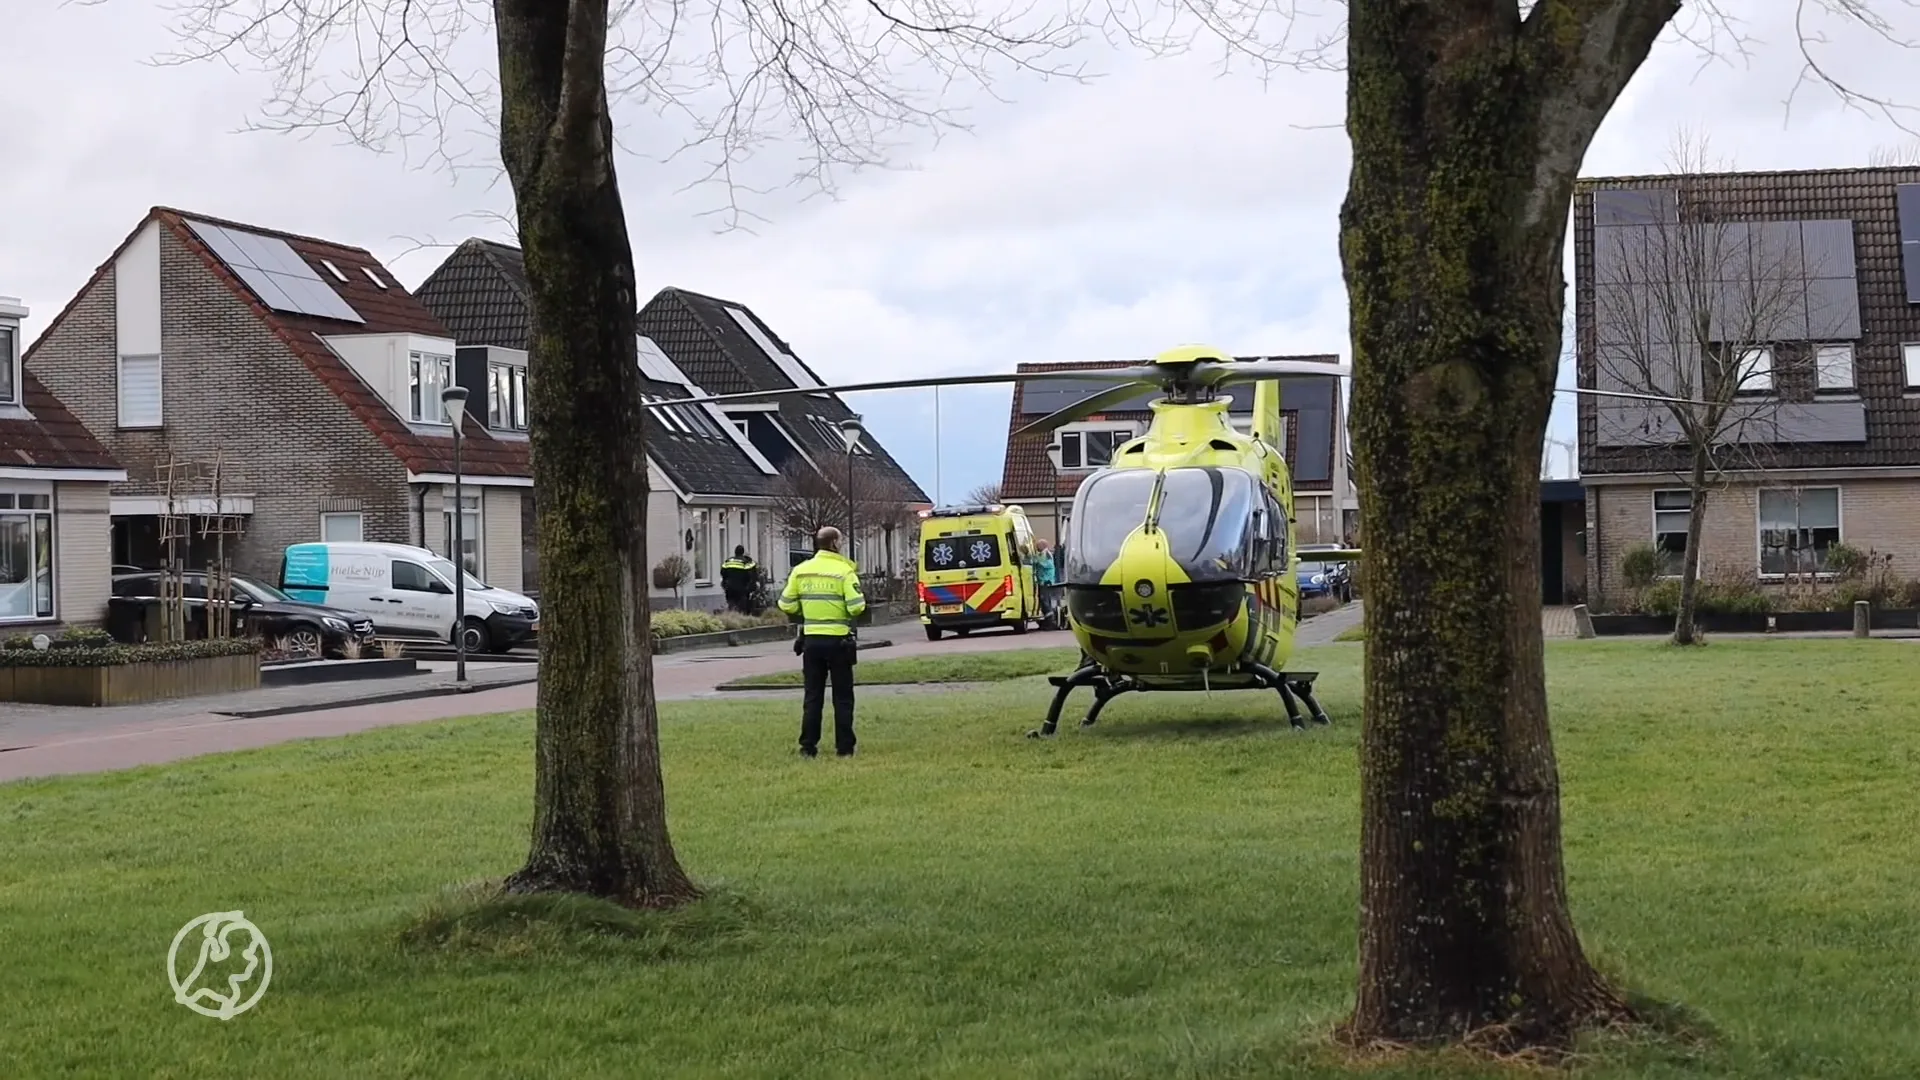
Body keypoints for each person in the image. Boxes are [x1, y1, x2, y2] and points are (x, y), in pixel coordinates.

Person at [777, 526, 868, 757]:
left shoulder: (801, 571)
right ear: (835, 543)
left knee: (812, 696)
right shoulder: (845, 571)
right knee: (843, 697)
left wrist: (805, 612)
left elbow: (785, 603)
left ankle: (808, 747)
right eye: (841, 541)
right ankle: (844, 748)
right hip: (839, 641)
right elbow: (856, 606)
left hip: (811, 641)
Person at [719, 546, 759, 614]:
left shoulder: (728, 561)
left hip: (729, 588)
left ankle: (732, 616)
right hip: (742, 588)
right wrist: (751, 587)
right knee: (742, 607)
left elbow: (722, 573)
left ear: (735, 552)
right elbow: (752, 574)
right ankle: (741, 616)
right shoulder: (746, 562)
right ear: (743, 552)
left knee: (731, 605)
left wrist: (725, 584)